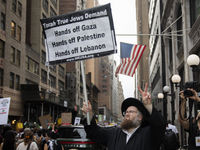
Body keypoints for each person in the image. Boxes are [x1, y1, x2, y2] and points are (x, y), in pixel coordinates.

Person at [81, 83, 166, 150]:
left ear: (140, 117)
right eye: (126, 112)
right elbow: (94, 133)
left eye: (131, 112)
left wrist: (148, 105)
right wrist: (90, 114)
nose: (127, 114)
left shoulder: (148, 134)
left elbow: (159, 125)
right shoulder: (114, 134)